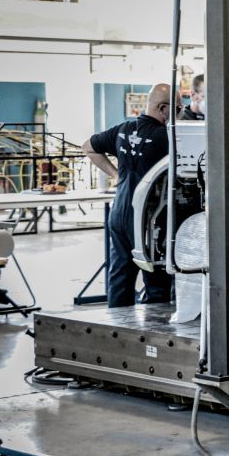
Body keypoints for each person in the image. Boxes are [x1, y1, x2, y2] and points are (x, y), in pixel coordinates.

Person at [82, 84, 174, 307]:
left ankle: (116, 324)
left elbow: (88, 147)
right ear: (163, 108)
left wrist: (116, 175)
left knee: (120, 275)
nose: (179, 114)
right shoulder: (166, 137)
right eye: (177, 109)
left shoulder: (123, 129)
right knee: (156, 279)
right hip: (149, 215)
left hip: (120, 211)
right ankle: (155, 326)